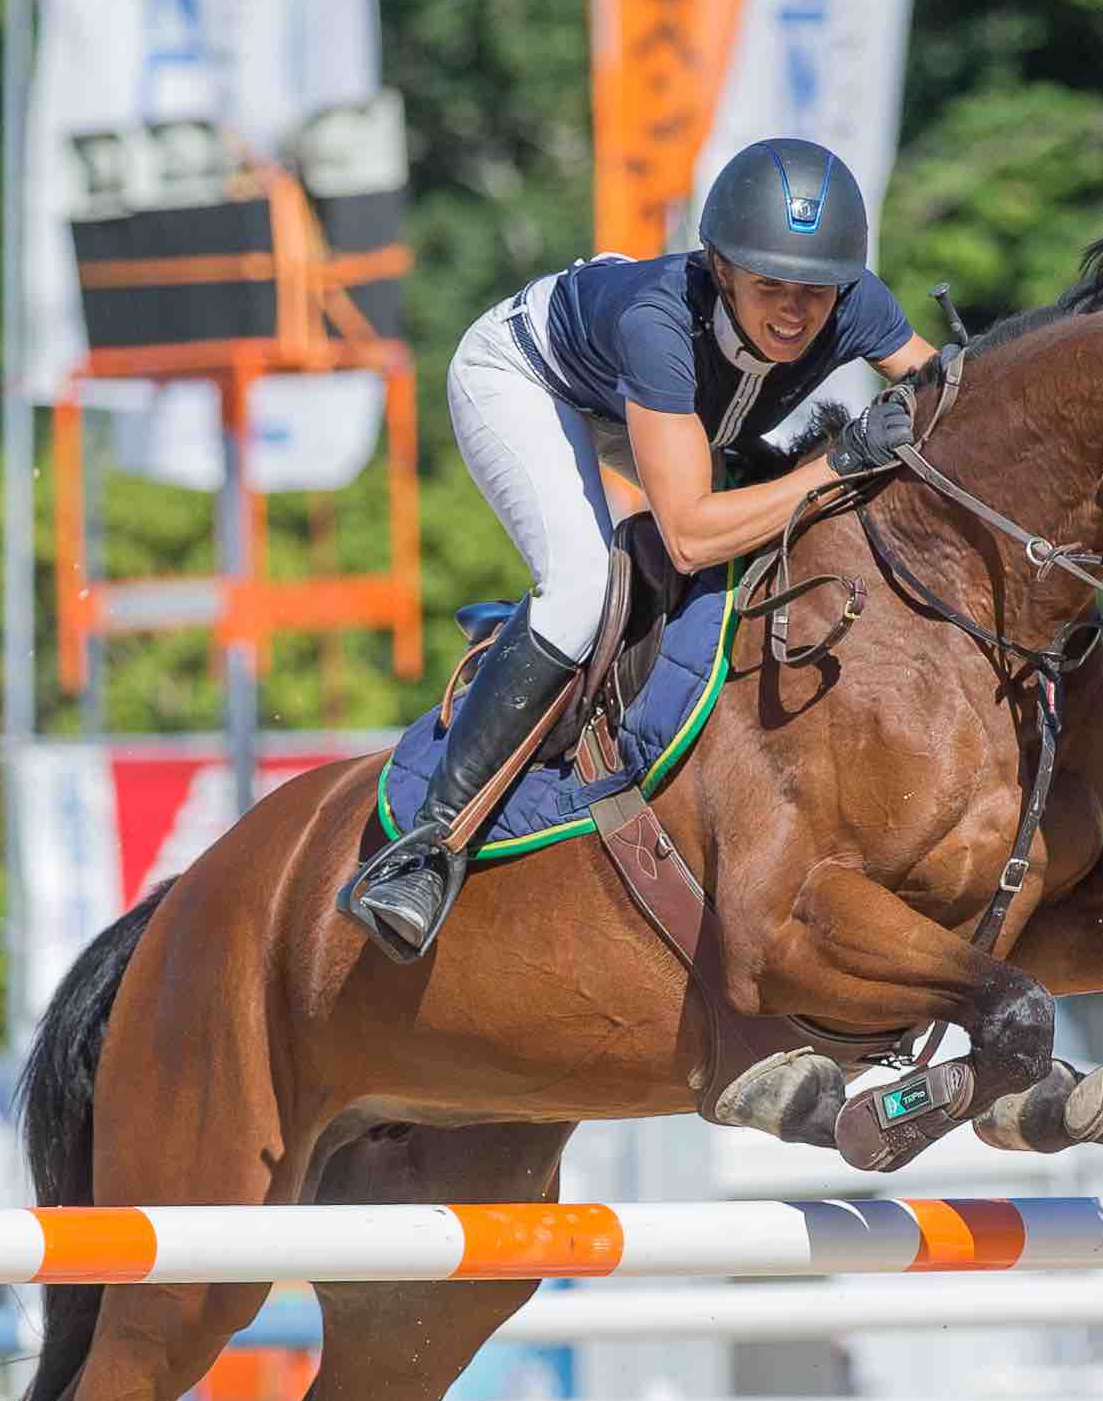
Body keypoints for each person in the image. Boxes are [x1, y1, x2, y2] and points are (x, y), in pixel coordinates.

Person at [338, 136, 941, 960]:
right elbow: (689, 534)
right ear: (720, 269)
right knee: (580, 590)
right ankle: (430, 847)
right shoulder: (657, 320)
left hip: (662, 409)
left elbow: (954, 401)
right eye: (769, 287)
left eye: (815, 291)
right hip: (527, 379)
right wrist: (836, 462)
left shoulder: (857, 302)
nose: (796, 315)